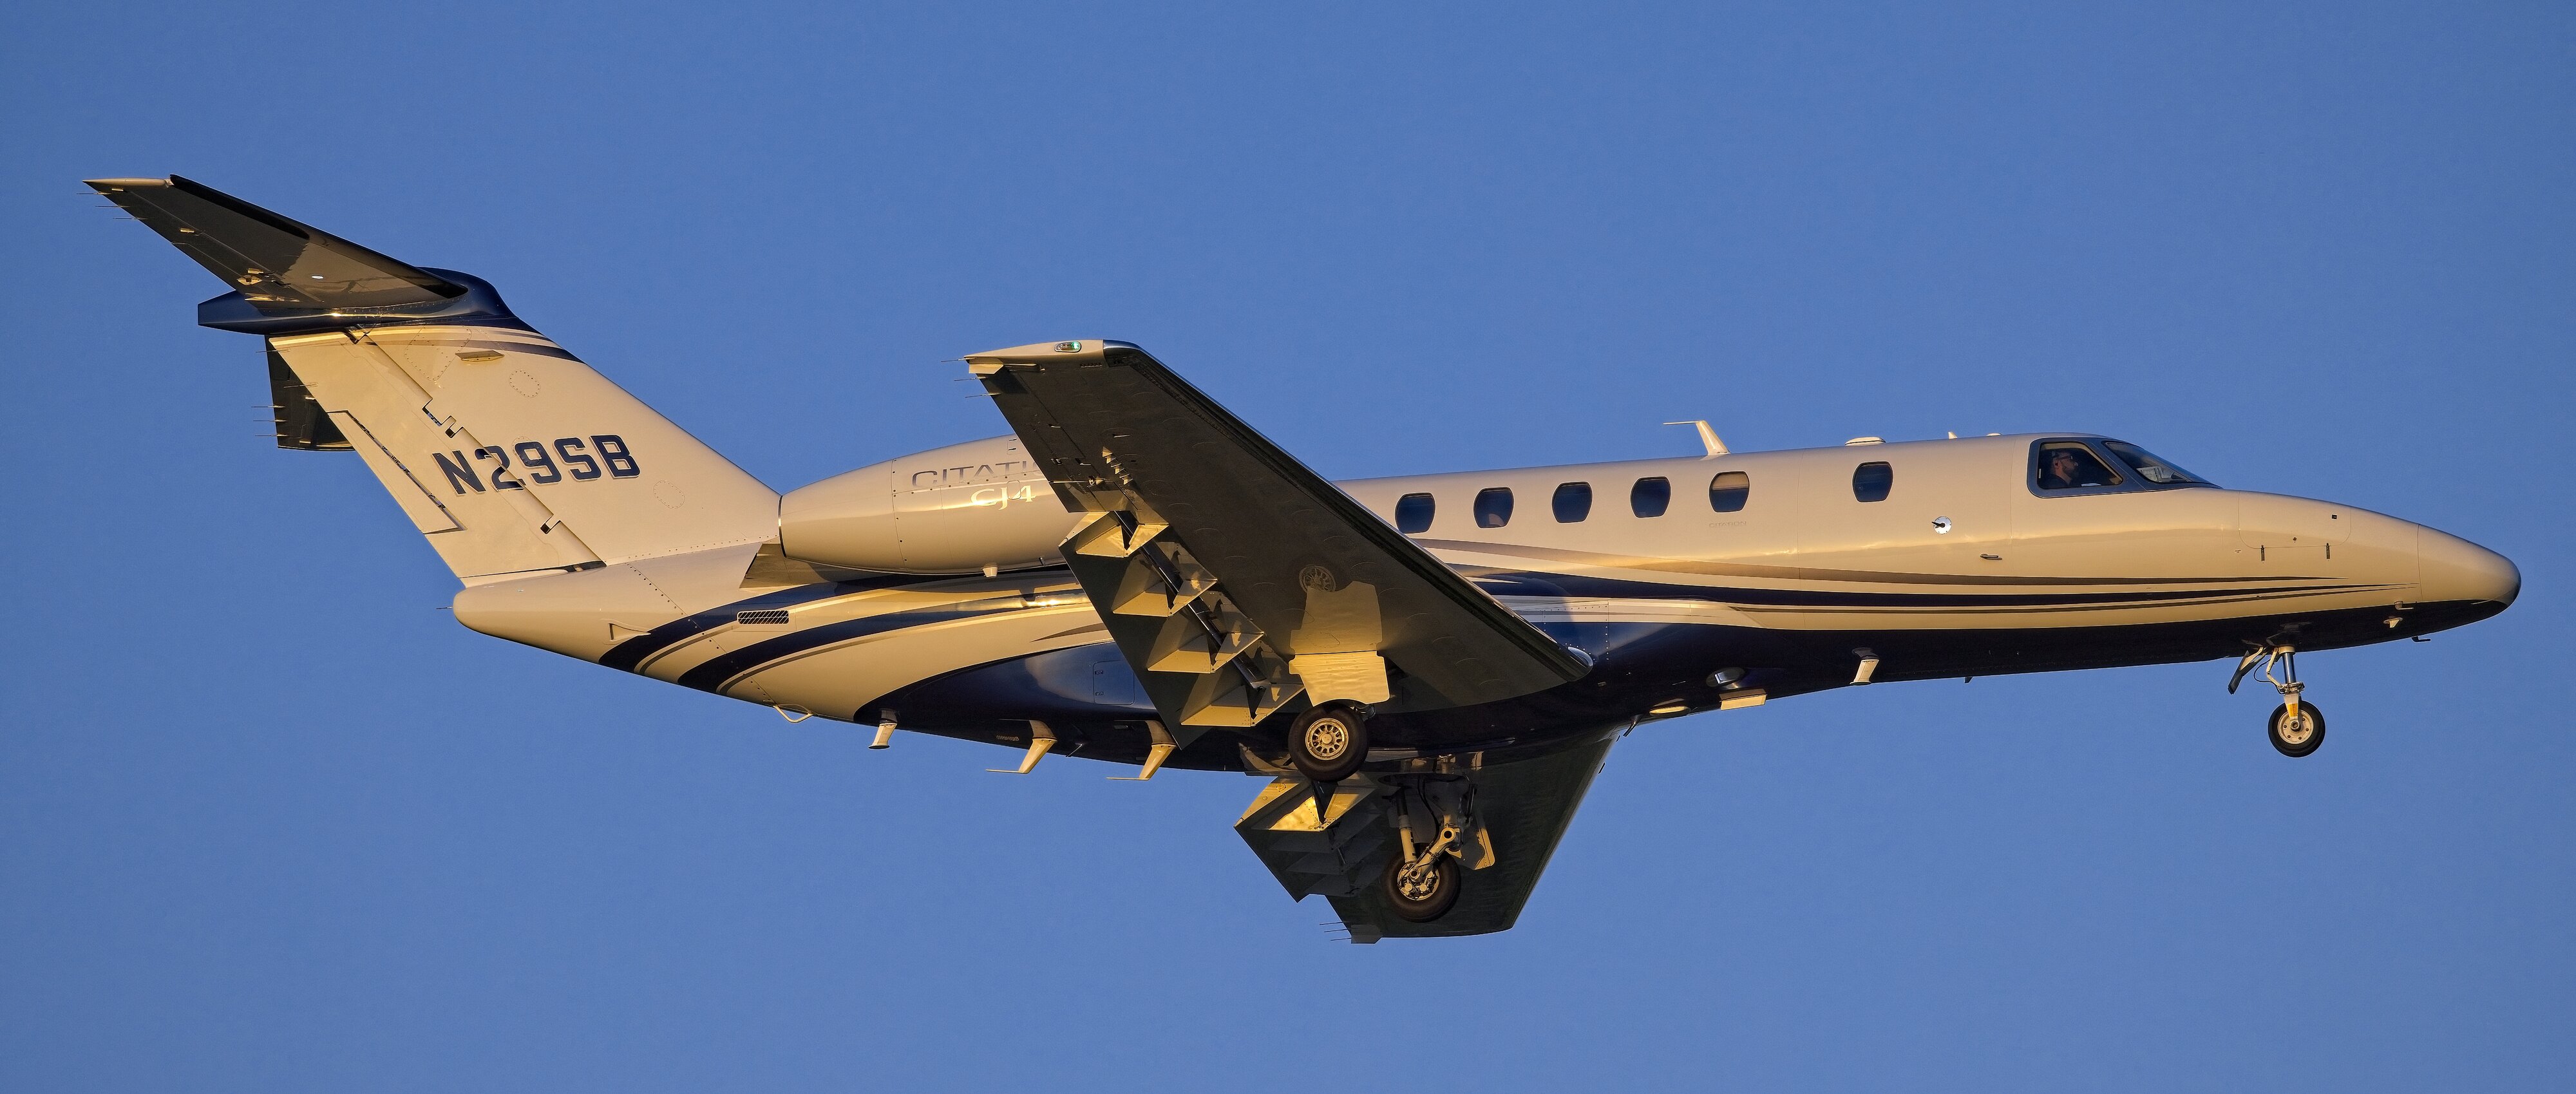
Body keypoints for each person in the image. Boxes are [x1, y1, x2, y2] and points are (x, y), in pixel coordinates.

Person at [2038, 446, 2115, 490]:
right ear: (2056, 463)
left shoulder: (2064, 487)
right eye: (2071, 459)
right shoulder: (2055, 488)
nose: (2076, 463)